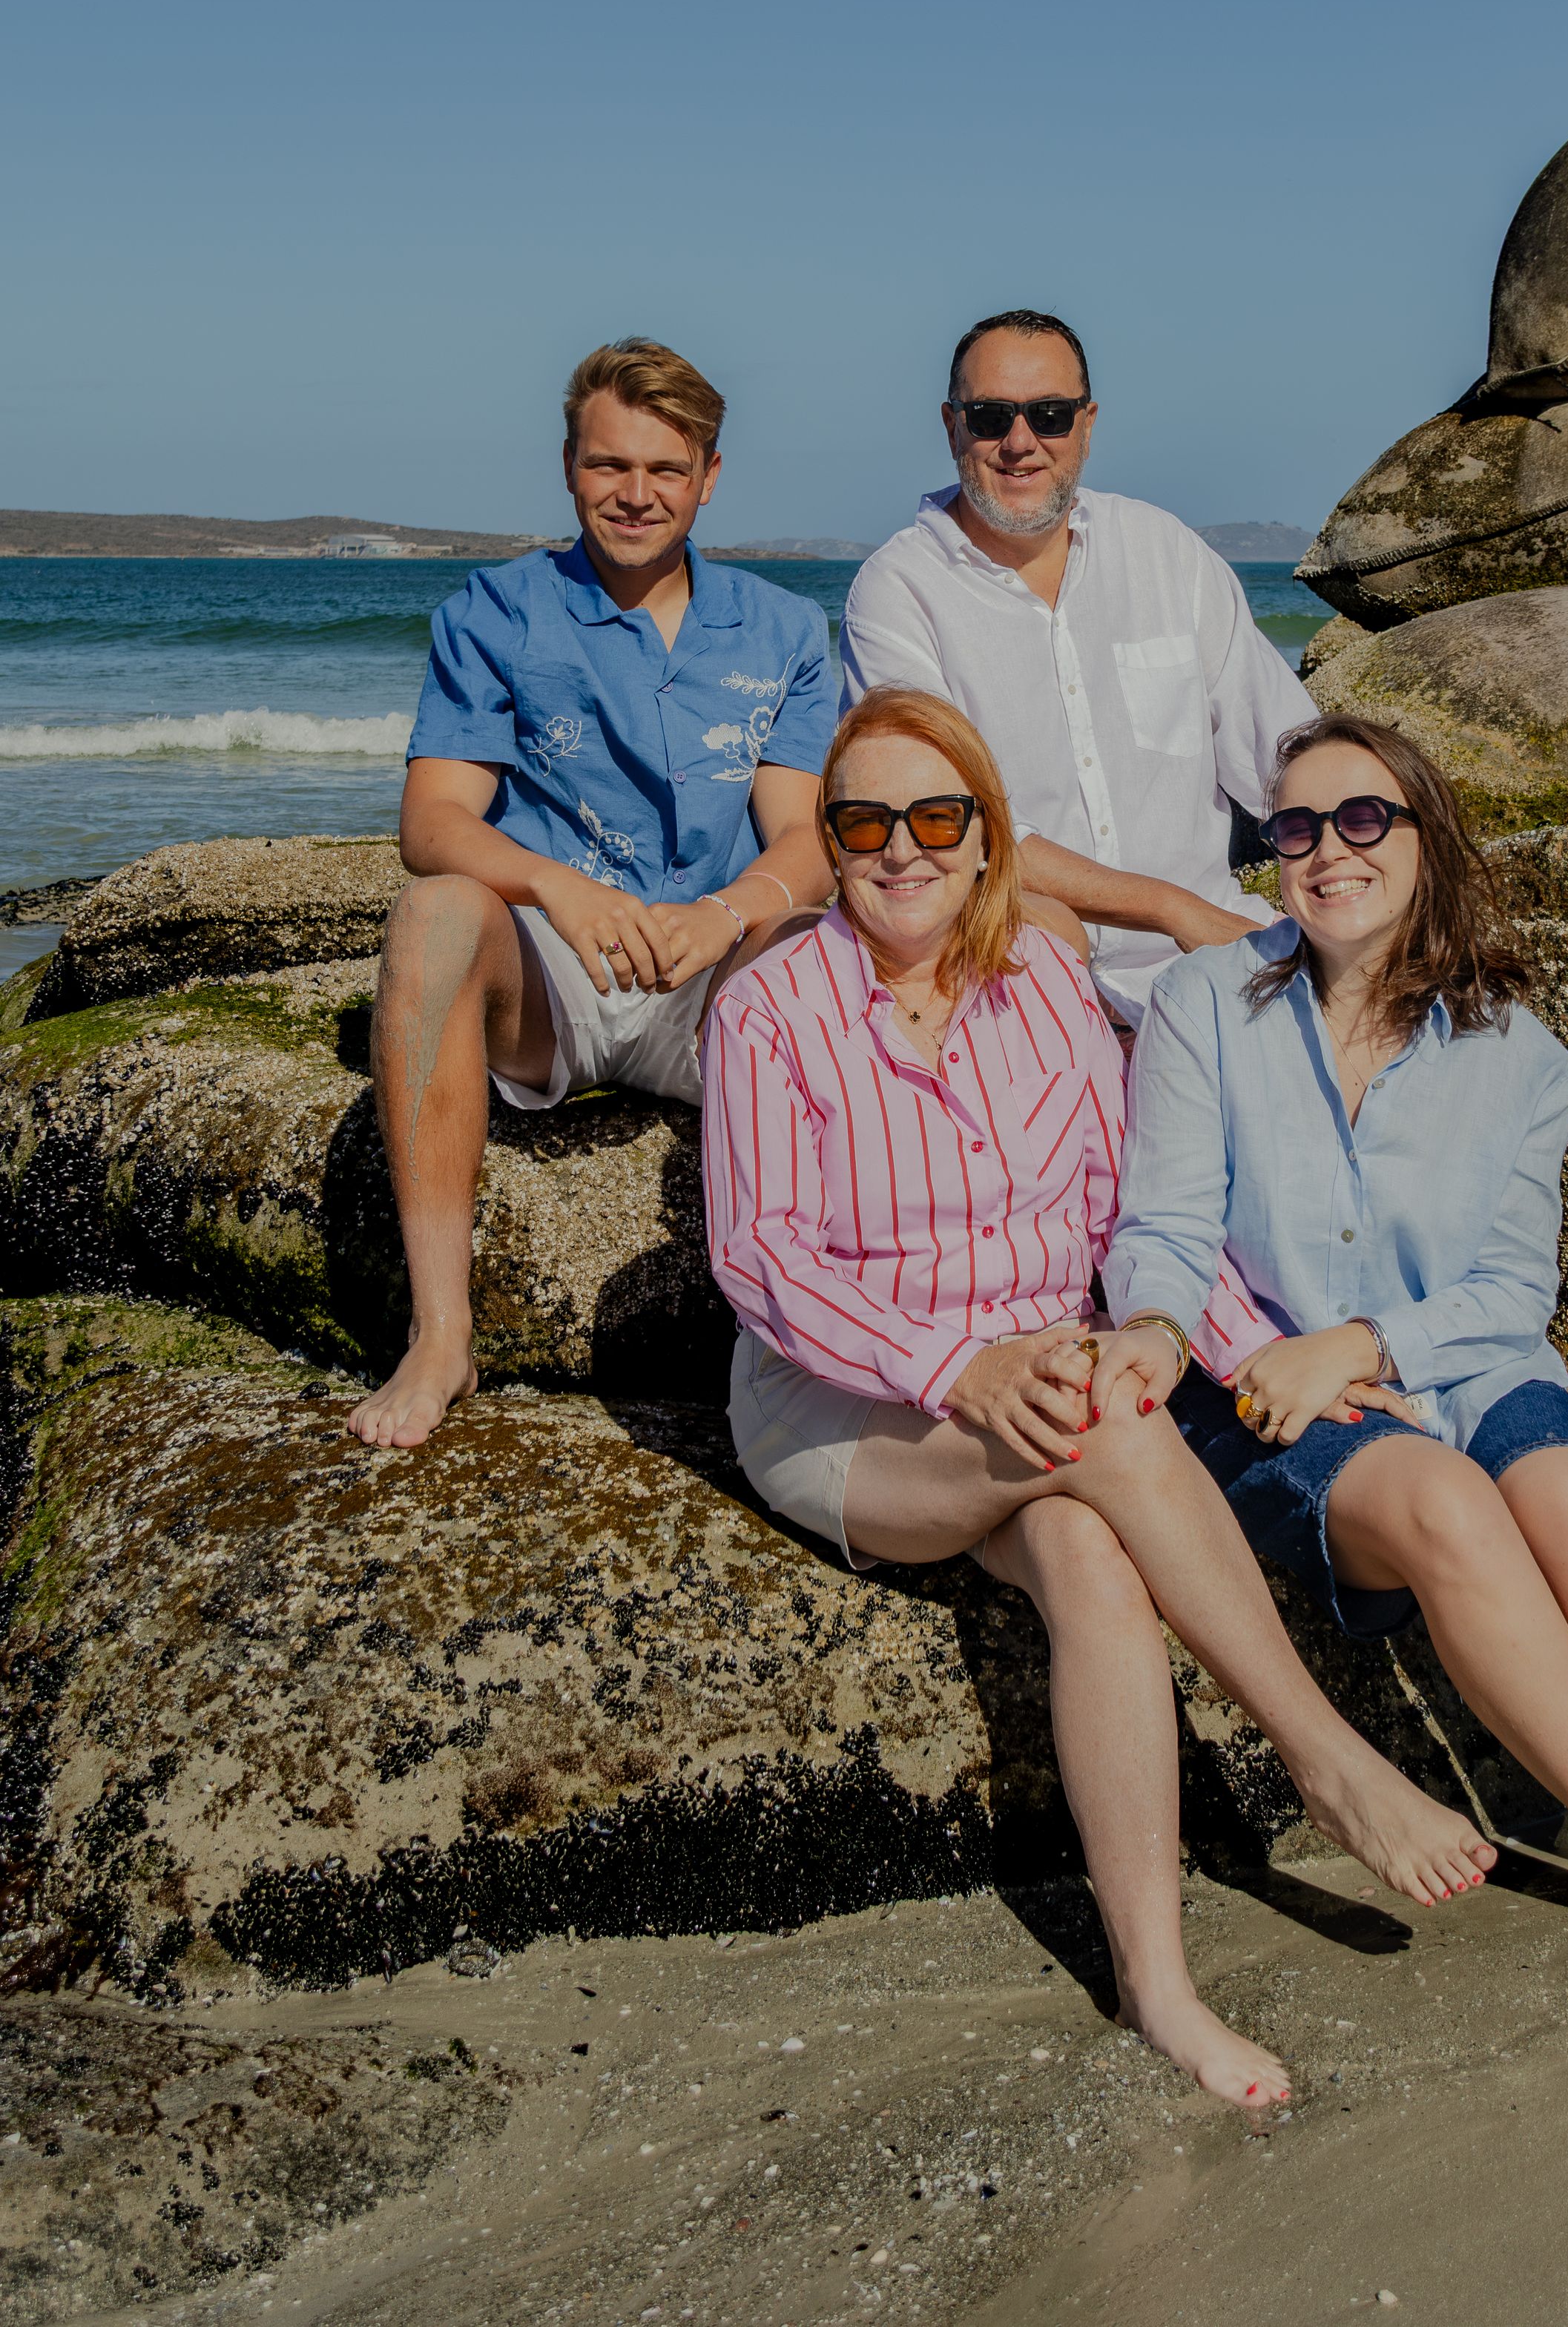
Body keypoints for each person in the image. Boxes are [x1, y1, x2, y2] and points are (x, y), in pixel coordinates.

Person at [702, 684, 1499, 2113]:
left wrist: (1262, 1357)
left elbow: (1124, 1214)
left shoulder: (1044, 988)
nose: (901, 849)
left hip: (1034, 1395)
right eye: (864, 821)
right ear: (825, 841)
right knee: (1107, 1427)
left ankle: (1157, 1988)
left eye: (935, 816)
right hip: (847, 1412)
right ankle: (1325, 1756)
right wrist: (960, 1370)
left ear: (986, 834)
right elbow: (762, 1262)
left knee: (1089, 1559)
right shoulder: (771, 1007)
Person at [1099, 709, 1568, 2004]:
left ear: (1425, 839)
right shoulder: (1204, 1001)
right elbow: (1164, 1227)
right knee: (1450, 1506)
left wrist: (1372, 1339)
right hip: (1267, 1391)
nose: (1327, 849)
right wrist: (1190, 1343)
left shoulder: (1518, 1052)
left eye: (1362, 819)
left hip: (1457, 1360)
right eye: (1295, 827)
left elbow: (1511, 1289)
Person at [348, 337, 837, 1451]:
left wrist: (725, 914)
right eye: (610, 465)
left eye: (667, 470)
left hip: (709, 983)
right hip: (551, 976)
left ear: (710, 477)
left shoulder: (783, 630)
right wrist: (557, 889)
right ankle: (440, 1333)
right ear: (570, 464)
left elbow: (806, 838)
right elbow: (432, 827)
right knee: (432, 914)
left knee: (821, 942)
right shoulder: (495, 610)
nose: (637, 493)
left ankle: (815, 1333)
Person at [838, 309, 1310, 1024]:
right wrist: (1170, 908)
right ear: (952, 426)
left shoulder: (1165, 554)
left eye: (1050, 415)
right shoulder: (899, 590)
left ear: (1087, 426)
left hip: (1211, 959)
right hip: (1013, 975)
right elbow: (951, 830)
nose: (1021, 443)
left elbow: (1288, 760)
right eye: (992, 416)